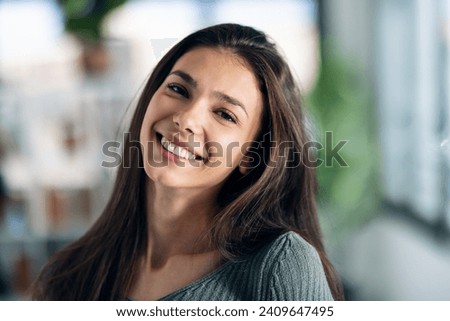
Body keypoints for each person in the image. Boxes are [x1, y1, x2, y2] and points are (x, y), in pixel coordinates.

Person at [31, 23, 343, 301]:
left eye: (224, 114)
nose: (186, 118)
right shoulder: (71, 272)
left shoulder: (280, 266)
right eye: (179, 89)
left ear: (251, 154)